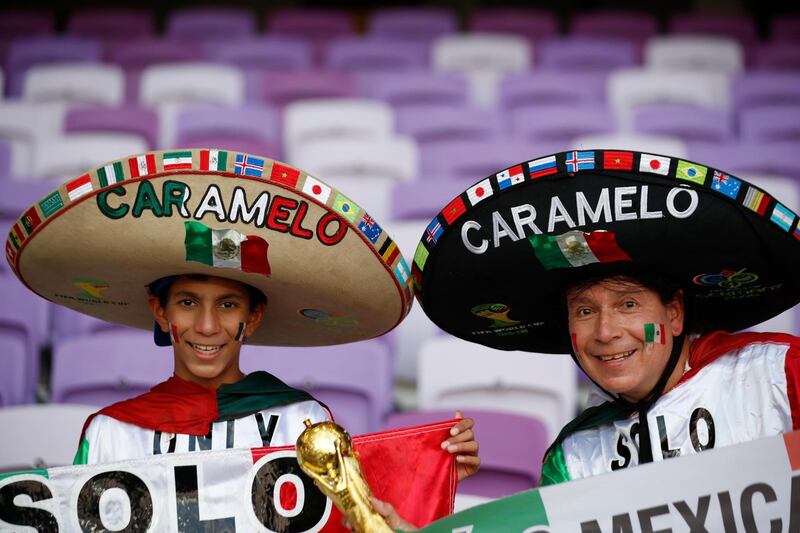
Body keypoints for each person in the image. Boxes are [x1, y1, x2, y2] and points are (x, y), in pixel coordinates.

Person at [6, 149, 478, 483]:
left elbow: (355, 518)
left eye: (228, 305)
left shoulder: (303, 422)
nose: (207, 327)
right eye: (187, 303)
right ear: (160, 310)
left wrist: (433, 468)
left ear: (252, 319)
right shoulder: (110, 434)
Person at [410, 148, 800, 488]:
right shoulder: (573, 457)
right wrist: (436, 499)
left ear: (675, 313)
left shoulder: (780, 373)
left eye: (628, 304)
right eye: (584, 311)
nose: (606, 331)